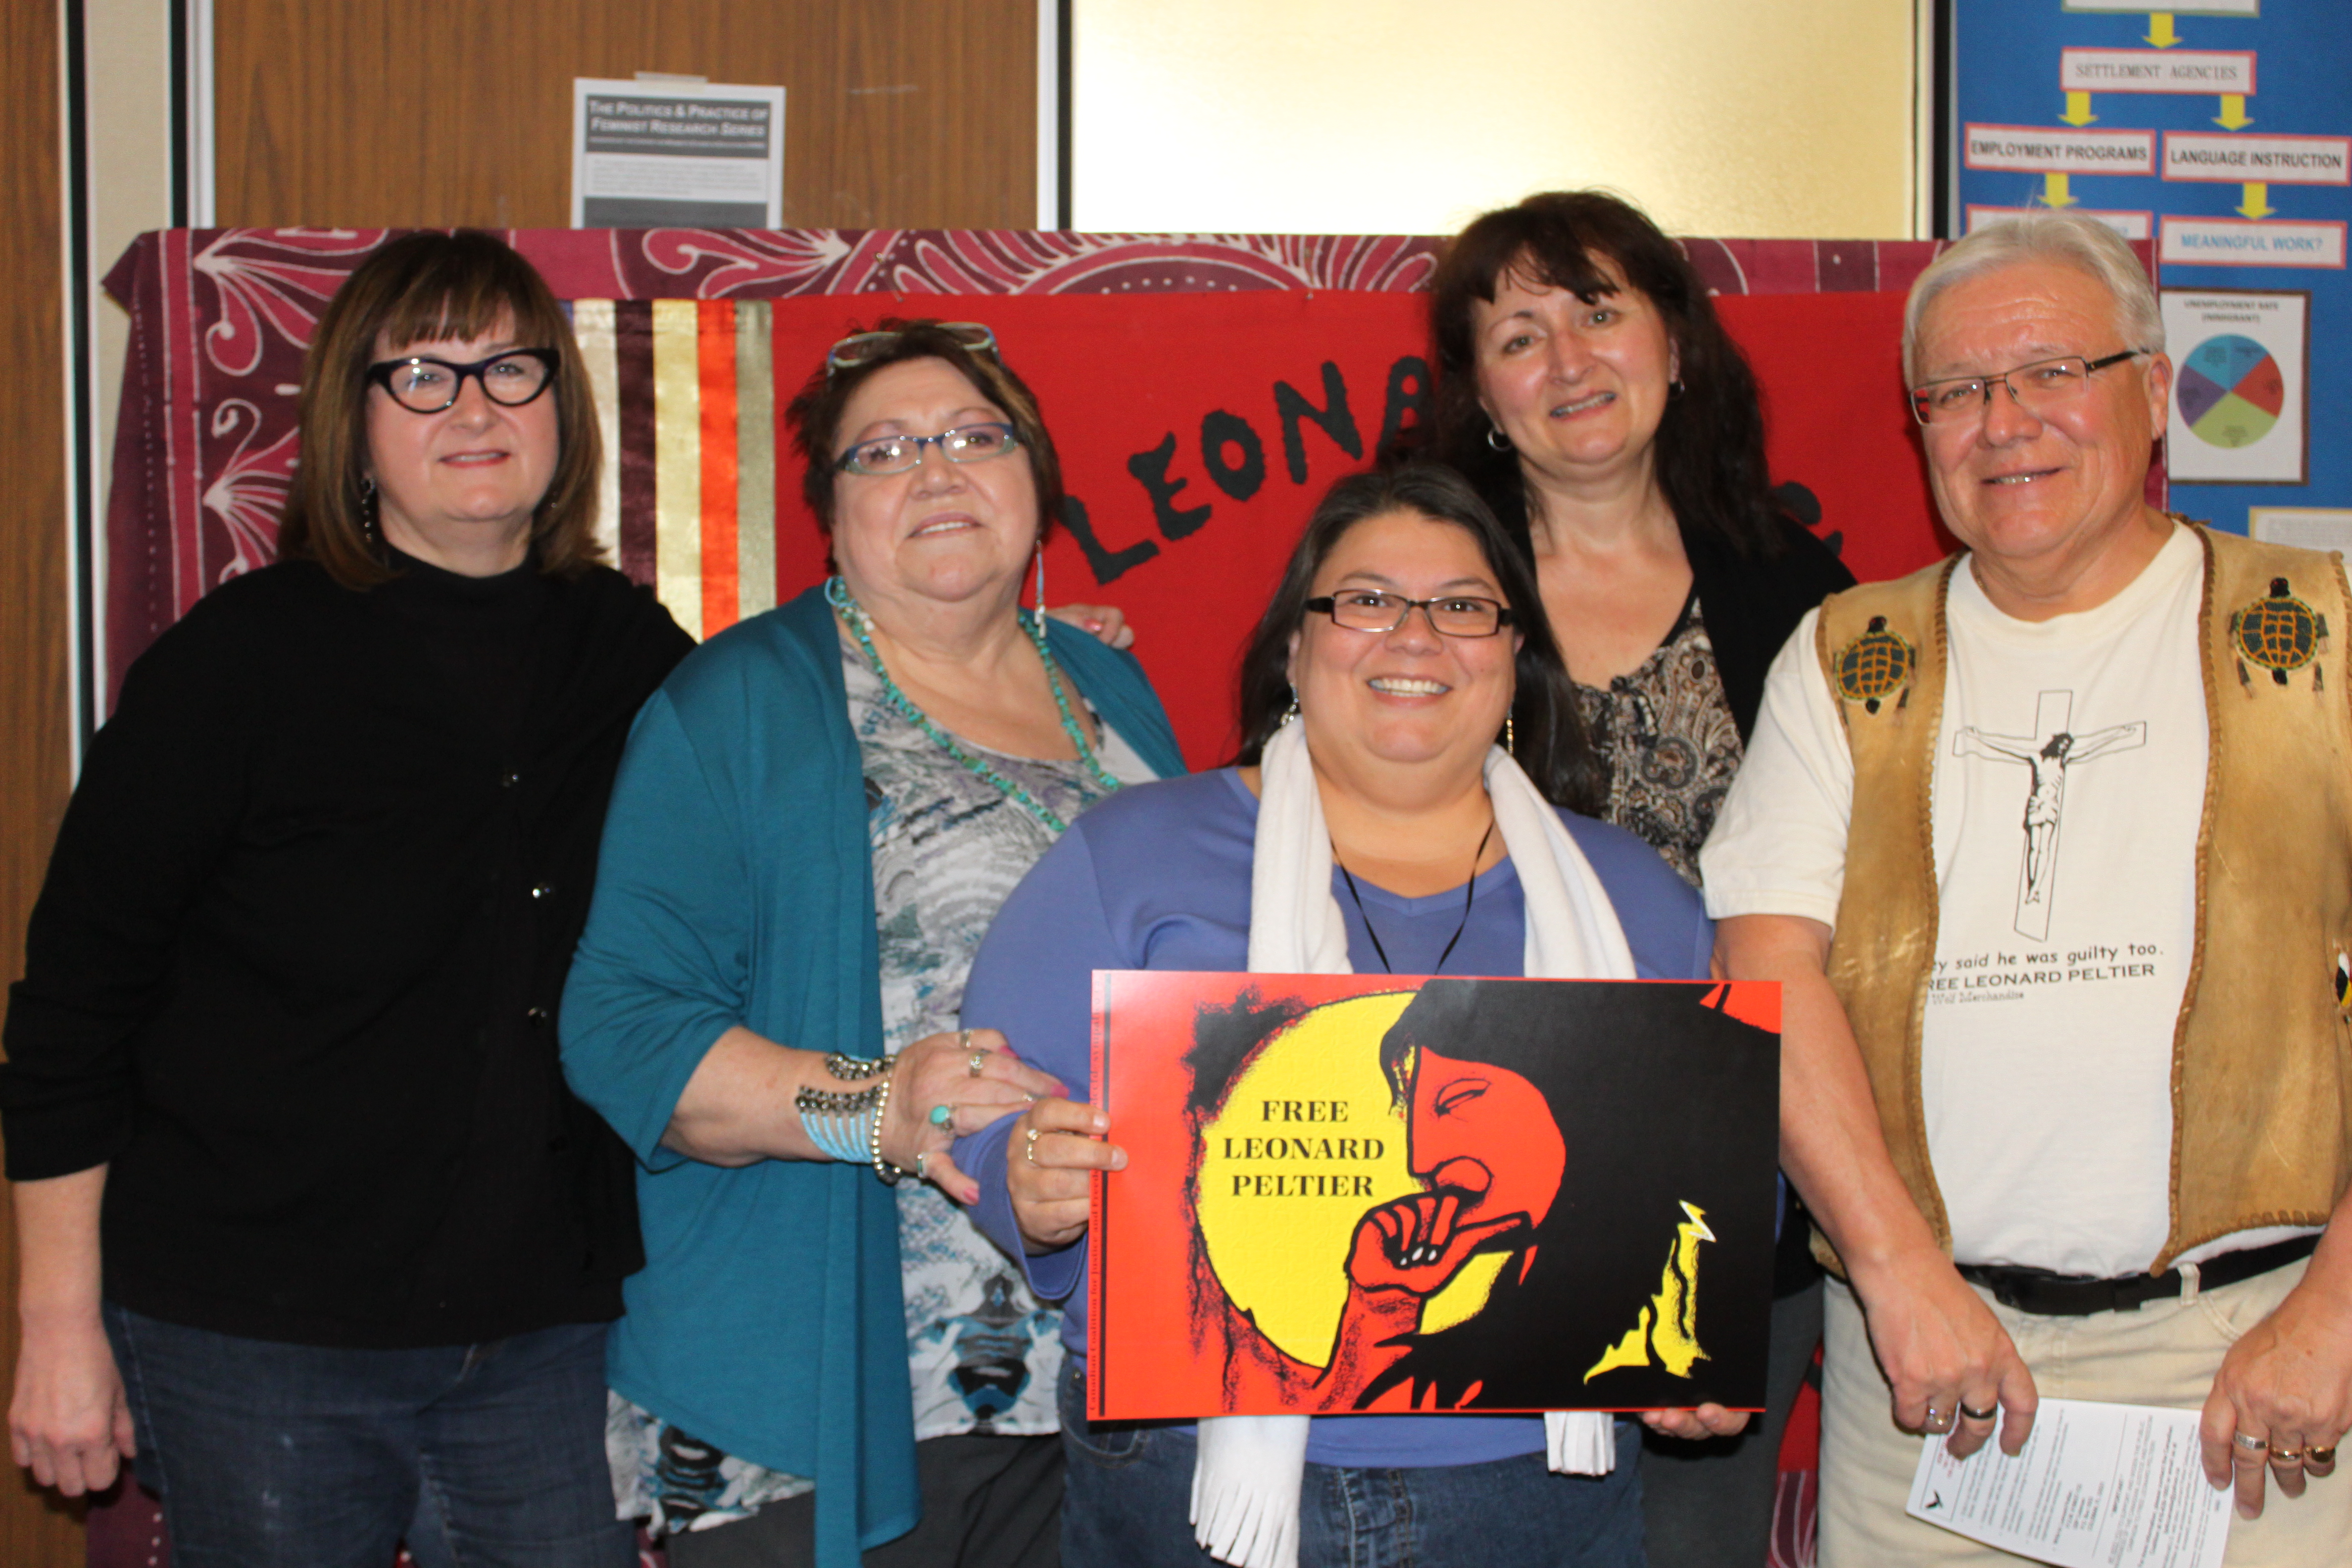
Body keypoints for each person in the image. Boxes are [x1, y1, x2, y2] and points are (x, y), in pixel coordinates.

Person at [1, 229, 693, 1566]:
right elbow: (73, 1017)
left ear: (563, 405)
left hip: (550, 1334)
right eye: (422, 376)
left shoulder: (630, 653)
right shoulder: (233, 666)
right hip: (256, 1338)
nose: (475, 409)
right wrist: (57, 1327)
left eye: (510, 369)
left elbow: (802, 784)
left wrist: (1032, 660)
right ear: (352, 425)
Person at [1701, 211, 2352, 1566]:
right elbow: (1767, 971)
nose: (2004, 424)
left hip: (2255, 1368)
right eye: (1956, 391)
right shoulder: (1847, 658)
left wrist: (2340, 1310)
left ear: (2157, 393)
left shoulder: (2322, 634)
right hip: (1934, 1376)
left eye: (2053, 372)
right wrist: (1896, 1274)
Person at [955, 465, 1750, 1568]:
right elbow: (985, 1104)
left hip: (1531, 1492)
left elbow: (1720, 1170)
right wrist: (1027, 1179)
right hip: (1182, 1478)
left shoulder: (1639, 902)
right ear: (1295, 648)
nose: (1415, 636)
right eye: (1367, 600)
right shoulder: (1126, 856)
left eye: (1463, 606)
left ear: (1514, 658)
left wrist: (1697, 1328)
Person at [559, 319, 1185, 1568]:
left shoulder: (1110, 687)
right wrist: (878, 1106)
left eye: (975, 437)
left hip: (1096, 1377)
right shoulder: (740, 700)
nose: (937, 470)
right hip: (828, 1387)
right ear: (832, 518)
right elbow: (624, 1028)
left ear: (1036, 482)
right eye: (884, 451)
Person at [1427, 189, 1850, 1561]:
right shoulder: (1422, 589)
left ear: (1675, 341)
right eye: (1520, 335)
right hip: (1468, 1193)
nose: (1569, 361)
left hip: (1738, 1197)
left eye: (1600, 313)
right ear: (1482, 393)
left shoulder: (1797, 591)